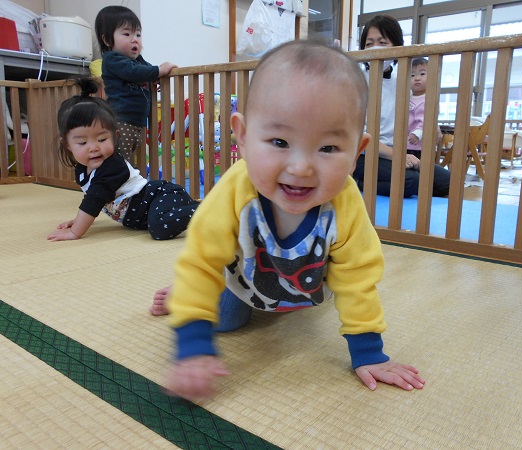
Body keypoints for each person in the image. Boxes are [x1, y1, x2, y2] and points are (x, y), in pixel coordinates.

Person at [153, 40, 425, 400]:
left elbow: (358, 276)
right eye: (280, 141)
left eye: (327, 148)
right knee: (226, 320)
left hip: (306, 289)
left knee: (310, 306)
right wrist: (192, 347)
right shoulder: (235, 191)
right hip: (243, 281)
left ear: (356, 153)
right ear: (243, 137)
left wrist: (369, 353)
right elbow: (201, 260)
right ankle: (182, 295)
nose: (300, 168)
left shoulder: (345, 202)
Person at [47, 78, 199, 242]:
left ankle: (206, 209)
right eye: (82, 143)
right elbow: (92, 202)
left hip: (161, 196)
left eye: (102, 139)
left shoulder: (112, 167)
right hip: (153, 209)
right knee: (156, 224)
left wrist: (75, 232)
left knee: (159, 228)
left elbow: (93, 201)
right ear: (68, 145)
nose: (93, 148)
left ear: (115, 136)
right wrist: (78, 221)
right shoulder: (82, 171)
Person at [352, 15, 450, 198]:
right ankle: (359, 182)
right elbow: (356, 135)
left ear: (397, 46)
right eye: (369, 44)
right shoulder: (356, 79)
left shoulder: (403, 81)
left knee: (447, 181)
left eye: (383, 43)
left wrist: (432, 123)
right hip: (363, 154)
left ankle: (377, 182)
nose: (375, 49)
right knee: (411, 180)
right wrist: (396, 156)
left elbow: (415, 109)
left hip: (394, 153)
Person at [94, 5, 178, 166]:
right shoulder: (112, 59)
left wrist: (155, 78)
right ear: (107, 40)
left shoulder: (138, 60)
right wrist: (159, 70)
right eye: (127, 34)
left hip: (137, 122)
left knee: (124, 160)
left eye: (138, 34)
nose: (135, 39)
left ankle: (118, 178)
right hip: (121, 120)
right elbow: (133, 72)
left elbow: (145, 71)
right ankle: (108, 180)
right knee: (116, 161)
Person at [407, 57, 443, 156]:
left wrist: (418, 133)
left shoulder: (429, 99)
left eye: (422, 74)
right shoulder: (407, 98)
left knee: (420, 163)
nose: (417, 78)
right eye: (412, 75)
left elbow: (428, 119)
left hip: (420, 143)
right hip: (405, 143)